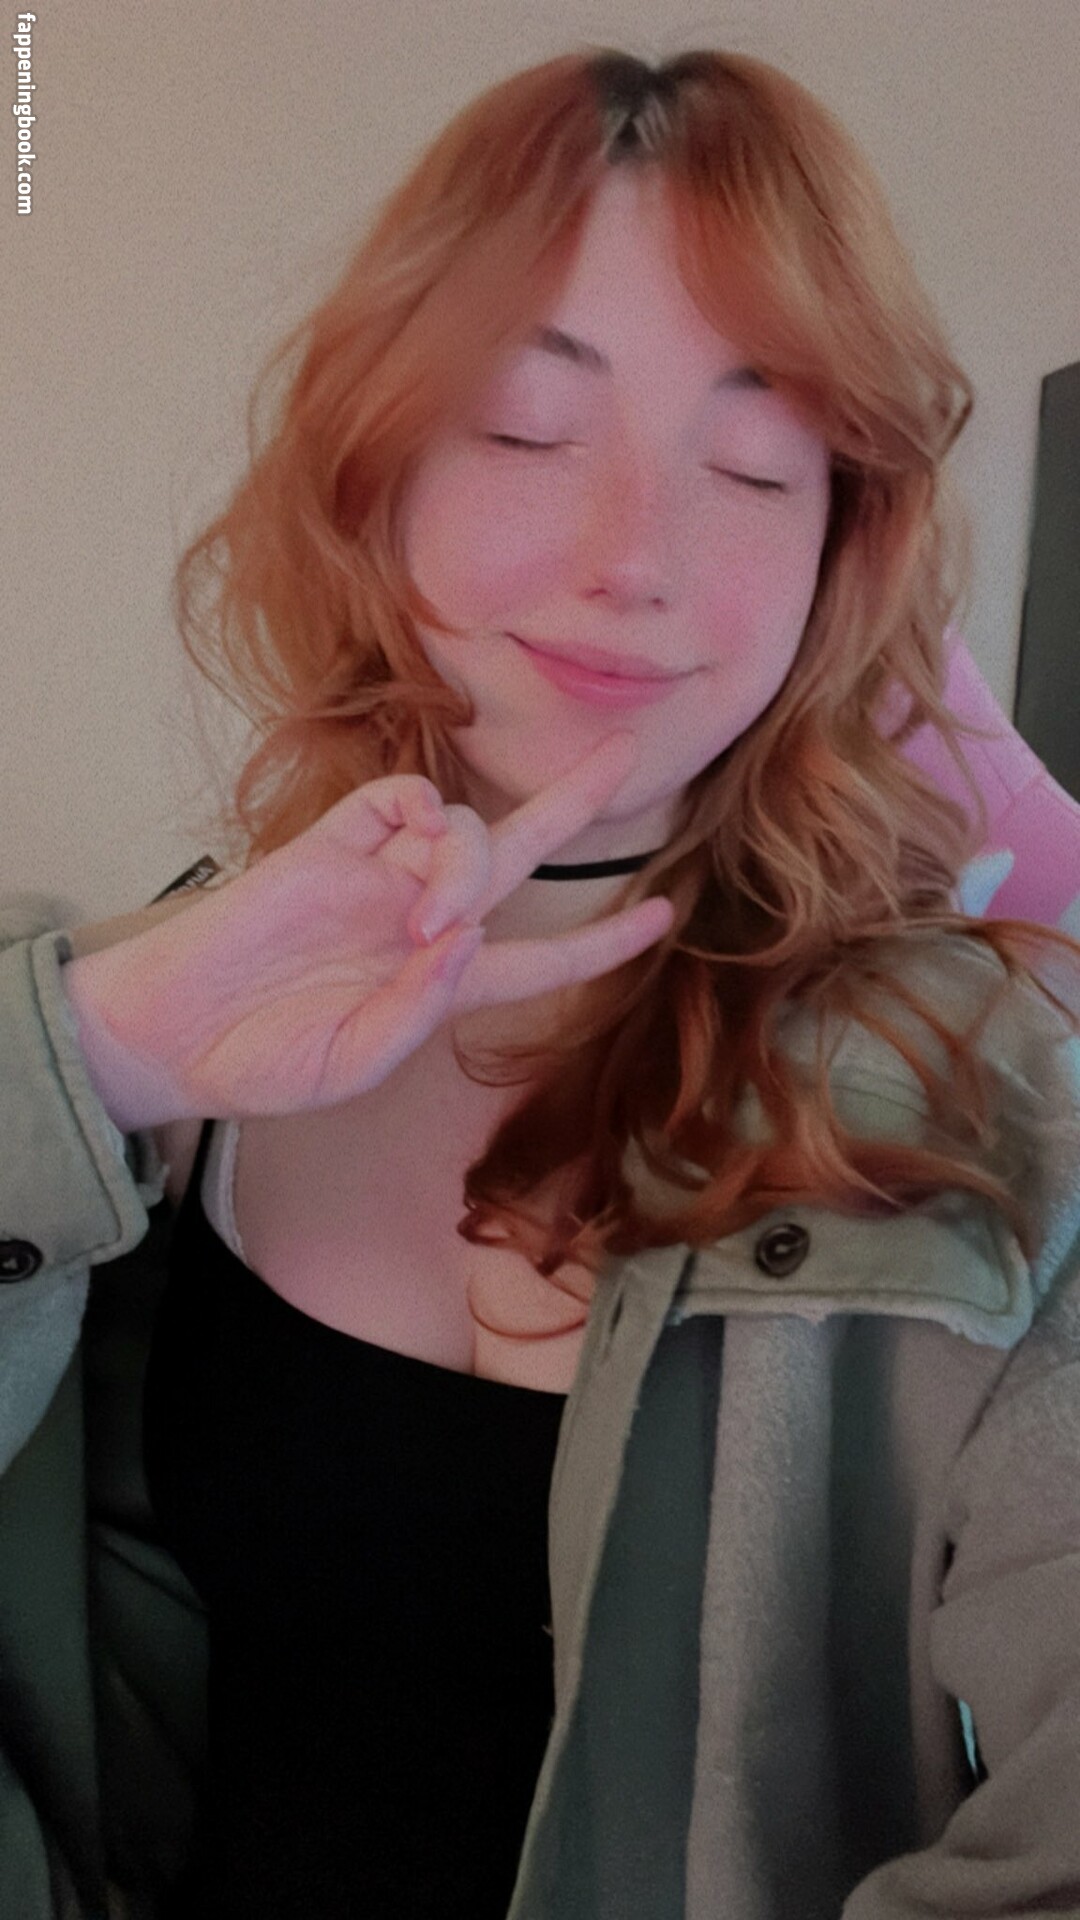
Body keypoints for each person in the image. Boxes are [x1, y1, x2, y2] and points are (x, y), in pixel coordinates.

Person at [2, 43, 1080, 1920]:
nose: (632, 558)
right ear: (376, 469)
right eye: (523, 427)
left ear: (840, 546)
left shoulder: (982, 1088)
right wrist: (91, 1063)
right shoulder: (170, 1007)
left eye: (754, 466)